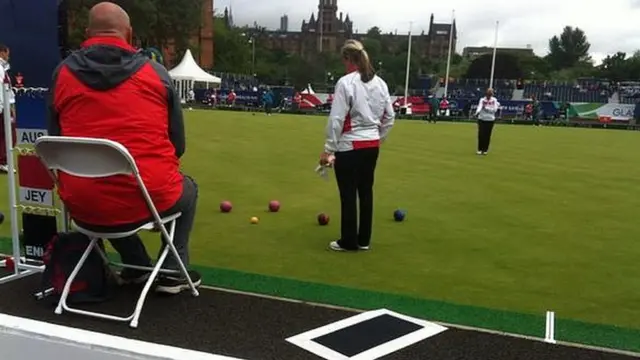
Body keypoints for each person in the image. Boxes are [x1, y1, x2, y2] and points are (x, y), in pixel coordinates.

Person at [47, 2, 200, 295]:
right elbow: (177, 144)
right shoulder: (155, 73)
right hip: (146, 198)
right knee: (188, 189)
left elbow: (54, 140)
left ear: (88, 32)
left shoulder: (61, 74)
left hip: (81, 204)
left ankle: (136, 265)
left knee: (104, 195)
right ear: (128, 34)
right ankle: (171, 270)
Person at [320, 39, 395, 252]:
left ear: (348, 59)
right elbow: (390, 117)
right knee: (366, 191)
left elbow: (336, 119)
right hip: (371, 145)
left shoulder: (345, 82)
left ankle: (348, 241)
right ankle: (363, 240)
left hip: (349, 145)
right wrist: (378, 137)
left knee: (348, 193)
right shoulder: (381, 83)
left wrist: (328, 149)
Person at [0, 44, 16, 173]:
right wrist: (3, 107)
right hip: (2, 106)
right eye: (7, 53)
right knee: (9, 135)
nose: (8, 56)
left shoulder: (3, 67)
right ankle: (3, 162)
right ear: (2, 52)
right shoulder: (0, 68)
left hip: (4, 104)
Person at [474, 88, 500, 155]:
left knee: (487, 135)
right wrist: (477, 112)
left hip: (490, 119)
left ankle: (485, 149)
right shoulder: (482, 100)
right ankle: (479, 149)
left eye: (490, 95)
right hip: (482, 119)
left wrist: (486, 108)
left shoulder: (494, 100)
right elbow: (479, 107)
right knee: (481, 134)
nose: (488, 96)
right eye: (488, 95)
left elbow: (494, 110)